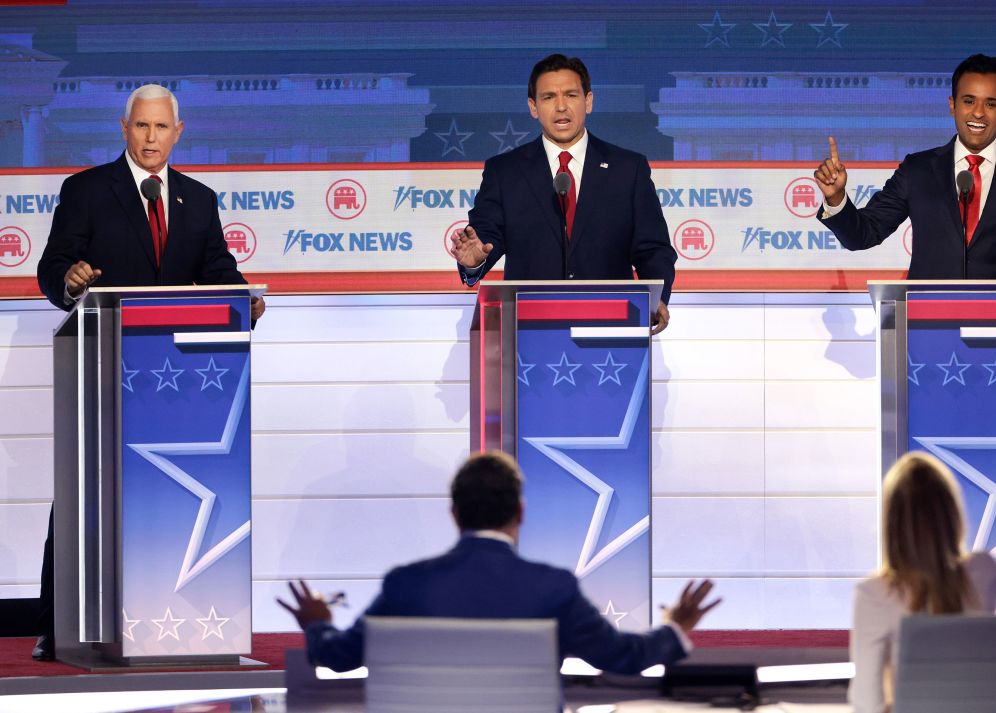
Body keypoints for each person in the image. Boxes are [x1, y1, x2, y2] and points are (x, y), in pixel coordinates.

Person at [32, 84, 264, 661]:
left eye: (162, 128)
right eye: (141, 127)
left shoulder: (199, 199)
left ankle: (173, 618)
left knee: (164, 497)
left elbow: (219, 272)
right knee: (82, 494)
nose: (151, 138)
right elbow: (53, 265)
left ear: (177, 132)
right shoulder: (86, 191)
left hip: (176, 379)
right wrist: (72, 280)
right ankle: (55, 626)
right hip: (105, 369)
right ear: (124, 127)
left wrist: (244, 305)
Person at [279, 450, 719, 674]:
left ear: (454, 514)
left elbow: (337, 658)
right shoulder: (553, 588)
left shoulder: (405, 585)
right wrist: (675, 627)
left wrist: (316, 622)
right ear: (521, 513)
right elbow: (624, 657)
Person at [814, 53, 996, 324]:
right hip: (926, 327)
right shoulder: (918, 170)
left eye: (991, 104)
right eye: (969, 101)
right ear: (952, 105)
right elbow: (863, 234)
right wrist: (836, 198)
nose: (978, 113)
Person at [449, 54, 677, 334]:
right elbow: (485, 236)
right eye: (548, 97)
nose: (561, 106)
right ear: (533, 107)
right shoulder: (505, 172)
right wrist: (476, 261)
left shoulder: (628, 169)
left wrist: (657, 299)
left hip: (612, 325)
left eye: (571, 95)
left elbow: (652, 248)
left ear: (588, 101)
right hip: (532, 330)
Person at [849, 451, 996, 713]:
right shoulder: (984, 571)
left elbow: (867, 704)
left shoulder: (874, 594)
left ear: (891, 523)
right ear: (951, 514)